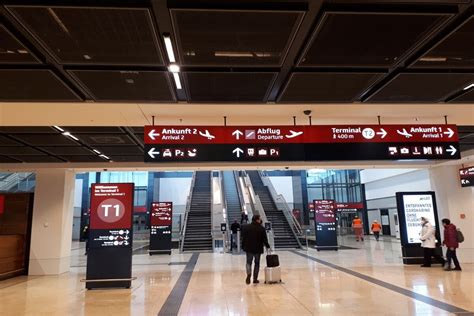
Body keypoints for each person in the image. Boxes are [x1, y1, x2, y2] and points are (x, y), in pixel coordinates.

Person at [241, 215, 270, 285]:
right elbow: (264, 239)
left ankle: (249, 273)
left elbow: (243, 238)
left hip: (249, 248)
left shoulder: (246, 227)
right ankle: (255, 279)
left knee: (248, 262)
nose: (260, 220)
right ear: (257, 220)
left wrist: (243, 246)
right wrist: (267, 246)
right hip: (258, 249)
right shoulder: (262, 228)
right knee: (257, 264)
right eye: (260, 219)